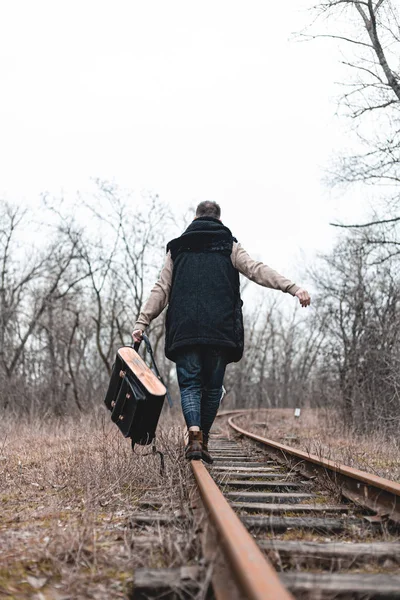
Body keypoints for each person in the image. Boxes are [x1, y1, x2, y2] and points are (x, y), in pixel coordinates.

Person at [132, 201, 311, 463]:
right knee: (213, 388)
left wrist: (142, 322)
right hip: (220, 329)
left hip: (185, 330)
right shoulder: (229, 245)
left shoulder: (177, 249)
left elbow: (161, 289)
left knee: (190, 384)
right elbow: (257, 270)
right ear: (218, 218)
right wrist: (292, 287)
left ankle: (194, 435)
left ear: (195, 217)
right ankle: (201, 435)